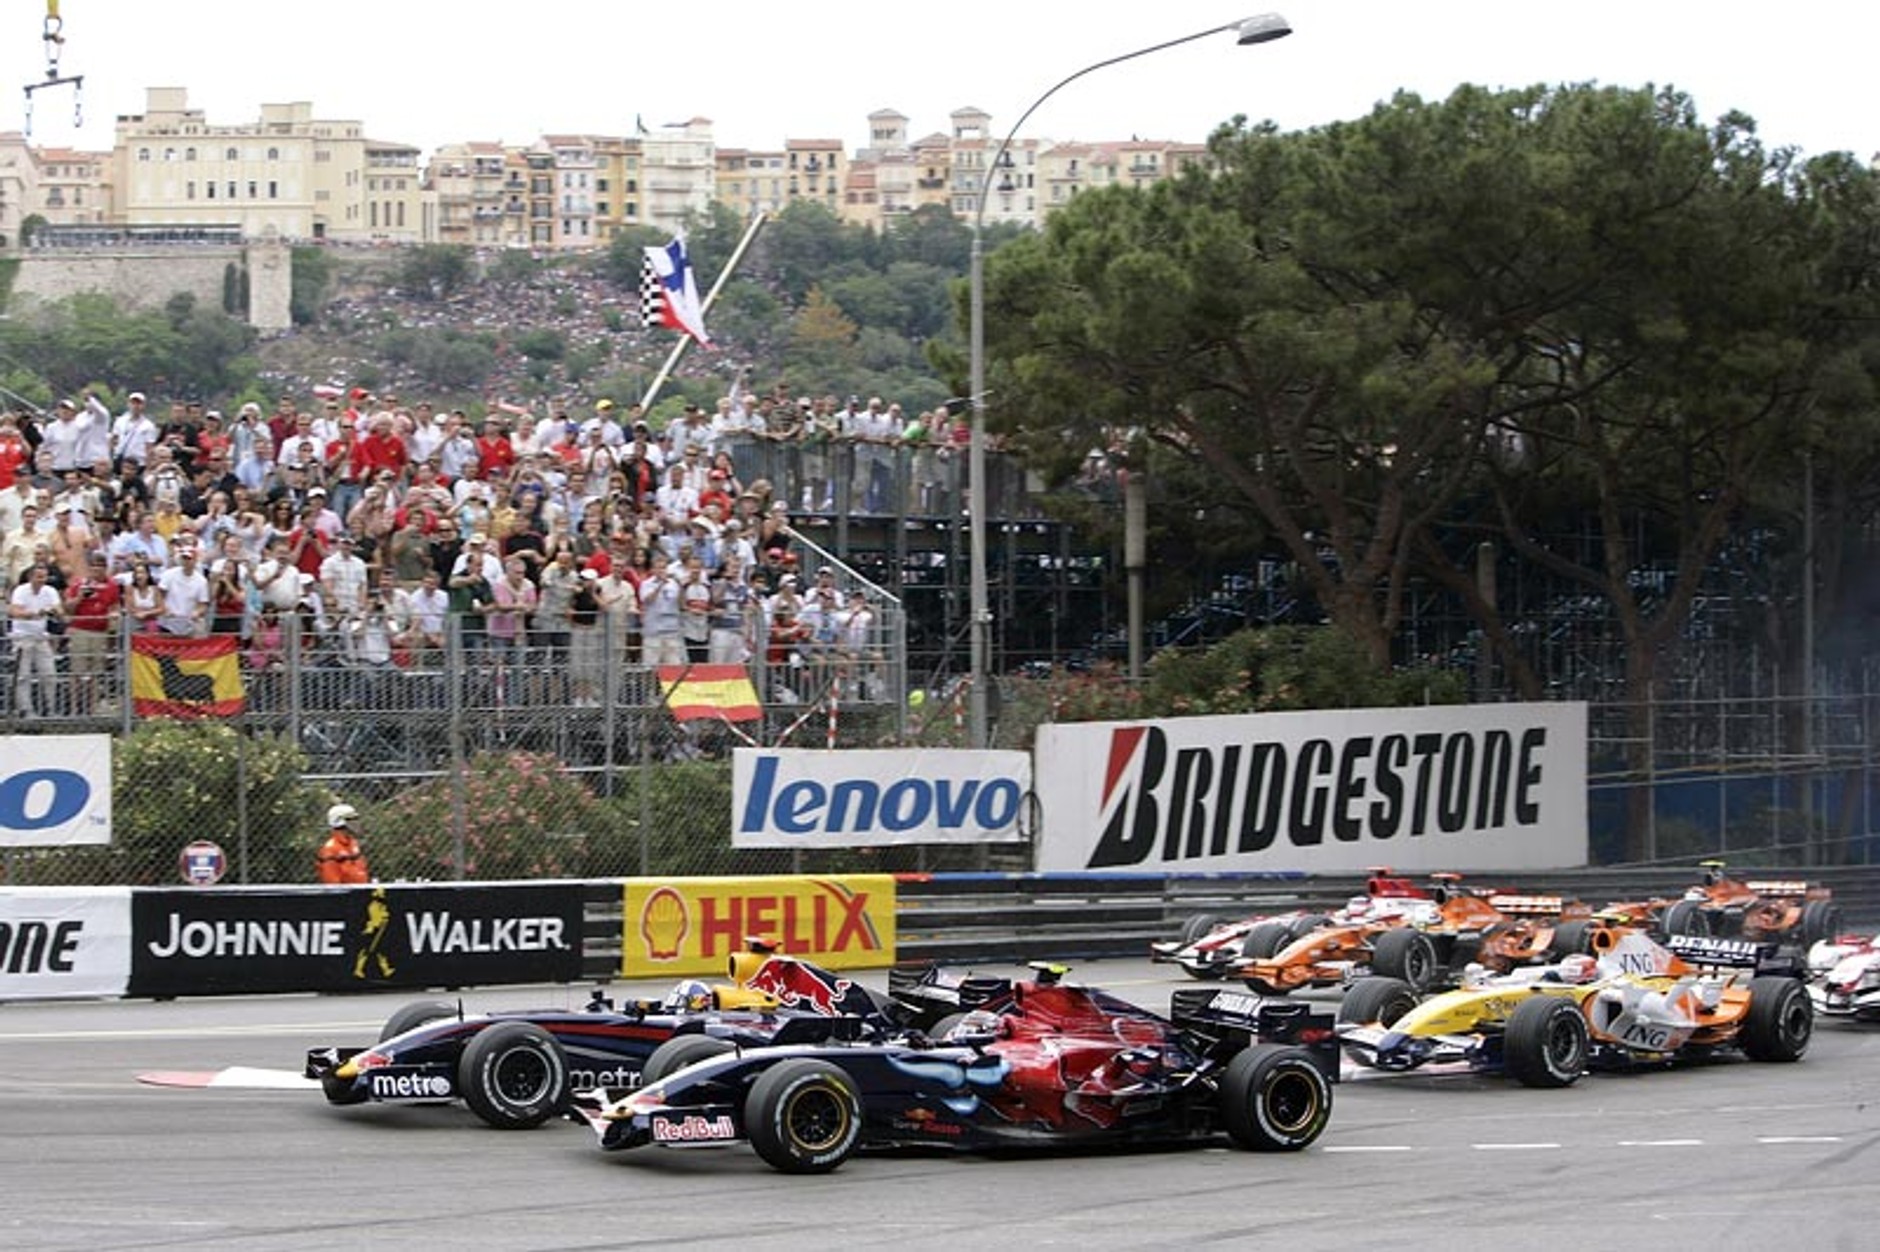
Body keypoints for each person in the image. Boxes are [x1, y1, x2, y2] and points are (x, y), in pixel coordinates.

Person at [316, 803, 371, 885]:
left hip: (360, 892)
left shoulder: (353, 844)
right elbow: (333, 886)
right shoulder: (331, 849)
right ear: (339, 822)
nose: (357, 822)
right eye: (352, 819)